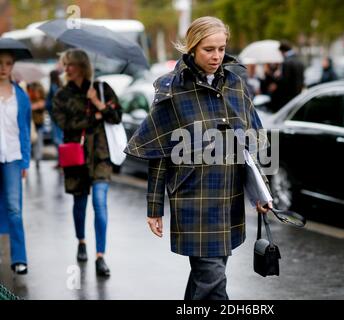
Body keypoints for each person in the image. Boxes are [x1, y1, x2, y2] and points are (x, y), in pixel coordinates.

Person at [125, 16, 272, 300]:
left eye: (221, 48)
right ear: (192, 48)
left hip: (229, 198)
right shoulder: (172, 88)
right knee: (213, 283)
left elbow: (252, 142)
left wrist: (262, 190)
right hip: (193, 199)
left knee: (206, 279)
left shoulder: (236, 83)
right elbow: (159, 151)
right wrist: (154, 207)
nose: (216, 56)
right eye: (208, 49)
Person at [52, 49, 122, 277]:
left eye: (71, 64)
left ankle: (100, 256)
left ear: (82, 65)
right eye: (65, 64)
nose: (67, 68)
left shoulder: (101, 89)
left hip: (100, 156)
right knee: (80, 204)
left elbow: (117, 115)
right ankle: (81, 240)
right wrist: (94, 116)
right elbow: (65, 124)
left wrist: (97, 103)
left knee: (100, 203)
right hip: (76, 158)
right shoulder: (61, 95)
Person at [0, 49, 31, 275]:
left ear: (12, 66)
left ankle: (19, 259)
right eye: (0, 63)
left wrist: (25, 162)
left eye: (8, 63)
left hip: (13, 157)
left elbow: (25, 131)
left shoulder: (21, 96)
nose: (3, 67)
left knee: (14, 208)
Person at [275, 40, 305, 110]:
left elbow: (285, 81)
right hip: (298, 95)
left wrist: (277, 76)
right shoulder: (299, 59)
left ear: (282, 51)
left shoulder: (286, 62)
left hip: (288, 98)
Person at [27, 81, 46, 170]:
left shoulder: (41, 100)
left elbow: (41, 105)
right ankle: (31, 159)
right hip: (31, 124)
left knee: (38, 143)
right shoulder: (29, 96)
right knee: (31, 143)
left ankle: (37, 159)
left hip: (38, 124)